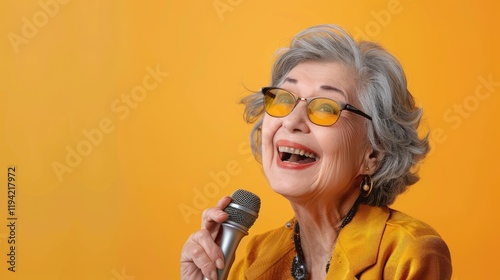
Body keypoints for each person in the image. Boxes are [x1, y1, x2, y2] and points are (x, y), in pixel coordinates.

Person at [180, 24, 452, 280]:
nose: (291, 121)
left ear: (373, 154)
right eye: (284, 98)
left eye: (325, 107)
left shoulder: (408, 252)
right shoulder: (254, 260)